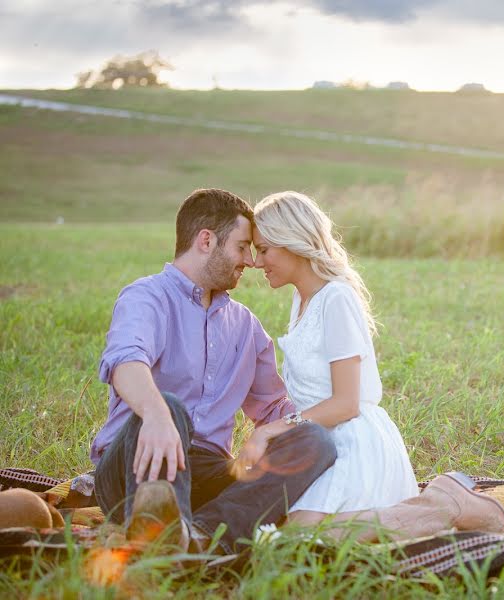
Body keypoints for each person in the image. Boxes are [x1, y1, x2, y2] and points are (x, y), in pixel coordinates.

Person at [90, 188, 337, 554]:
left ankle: (200, 537)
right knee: (169, 406)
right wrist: (157, 414)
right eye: (241, 247)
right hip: (134, 461)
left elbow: (275, 409)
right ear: (206, 240)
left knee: (313, 440)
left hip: (207, 471)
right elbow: (126, 362)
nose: (250, 261)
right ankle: (158, 532)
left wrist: (329, 431)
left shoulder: (245, 327)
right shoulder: (146, 297)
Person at [248, 191, 419, 525]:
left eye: (264, 250)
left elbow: (346, 404)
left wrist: (270, 431)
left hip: (354, 441)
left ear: (292, 242)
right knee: (273, 528)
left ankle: (435, 512)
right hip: (319, 441)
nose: (256, 262)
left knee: (299, 536)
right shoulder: (301, 300)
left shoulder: (335, 298)